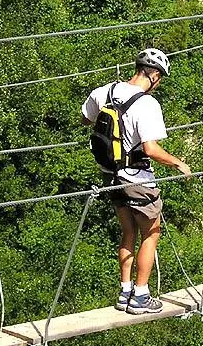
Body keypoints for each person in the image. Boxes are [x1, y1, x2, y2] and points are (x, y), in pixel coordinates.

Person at [81, 48, 191, 314]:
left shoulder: (103, 92)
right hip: (137, 177)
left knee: (128, 231)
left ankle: (125, 291)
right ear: (153, 75)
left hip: (110, 176)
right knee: (150, 232)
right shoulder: (147, 104)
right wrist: (178, 163)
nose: (159, 83)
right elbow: (151, 149)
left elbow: (85, 118)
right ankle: (141, 296)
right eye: (160, 78)